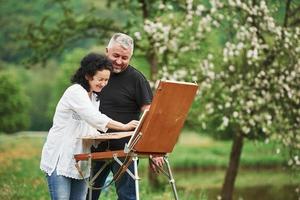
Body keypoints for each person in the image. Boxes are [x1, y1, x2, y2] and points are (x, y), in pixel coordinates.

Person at [40, 53, 139, 200]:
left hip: (81, 161)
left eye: (106, 80)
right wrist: (124, 127)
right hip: (60, 159)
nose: (103, 83)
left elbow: (89, 127)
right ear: (87, 75)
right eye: (100, 79)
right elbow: (94, 118)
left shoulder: (94, 97)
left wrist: (101, 138)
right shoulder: (75, 92)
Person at [88, 33, 164, 200]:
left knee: (127, 197)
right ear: (107, 51)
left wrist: (153, 150)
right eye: (115, 55)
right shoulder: (94, 75)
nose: (119, 61)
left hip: (126, 150)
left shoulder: (137, 79)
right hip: (93, 147)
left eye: (125, 57)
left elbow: (149, 116)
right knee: (86, 195)